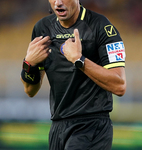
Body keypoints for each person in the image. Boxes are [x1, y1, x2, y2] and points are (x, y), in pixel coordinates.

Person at [20, 0, 126, 149]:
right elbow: (30, 90)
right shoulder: (42, 28)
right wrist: (29, 64)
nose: (58, 3)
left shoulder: (101, 26)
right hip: (58, 127)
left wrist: (79, 60)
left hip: (91, 125)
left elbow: (120, 85)